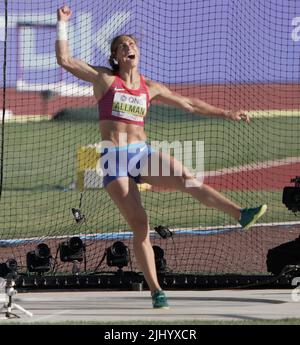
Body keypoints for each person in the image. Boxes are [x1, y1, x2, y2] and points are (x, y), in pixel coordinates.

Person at [56, 5, 267, 309]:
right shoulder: (104, 79)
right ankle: (156, 290)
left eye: (131, 44)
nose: (128, 47)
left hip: (142, 152)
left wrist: (227, 112)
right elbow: (64, 60)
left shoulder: (149, 87)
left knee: (188, 179)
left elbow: (190, 105)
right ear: (115, 57)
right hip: (114, 160)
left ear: (137, 53)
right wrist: (62, 23)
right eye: (121, 45)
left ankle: (240, 214)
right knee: (141, 225)